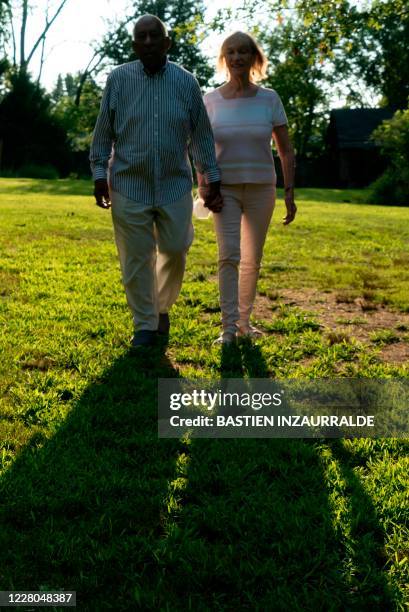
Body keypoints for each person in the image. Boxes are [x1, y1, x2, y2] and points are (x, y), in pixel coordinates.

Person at [89, 14, 222, 348]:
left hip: (174, 184)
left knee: (176, 249)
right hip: (127, 184)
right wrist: (98, 174)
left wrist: (212, 178)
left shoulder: (186, 81)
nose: (147, 41)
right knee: (136, 258)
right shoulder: (119, 79)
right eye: (141, 37)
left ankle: (161, 307)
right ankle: (145, 326)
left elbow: (202, 136)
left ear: (167, 42)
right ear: (134, 44)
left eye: (154, 36)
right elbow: (103, 132)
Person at [199, 31, 297, 345]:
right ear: (224, 59)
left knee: (252, 258)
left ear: (255, 57)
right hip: (223, 189)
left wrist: (289, 192)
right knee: (229, 255)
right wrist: (203, 186)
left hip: (261, 189)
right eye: (231, 52)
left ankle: (244, 323)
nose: (238, 57)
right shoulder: (210, 100)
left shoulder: (270, 99)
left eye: (244, 51)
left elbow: (285, 150)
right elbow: (200, 148)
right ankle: (227, 329)